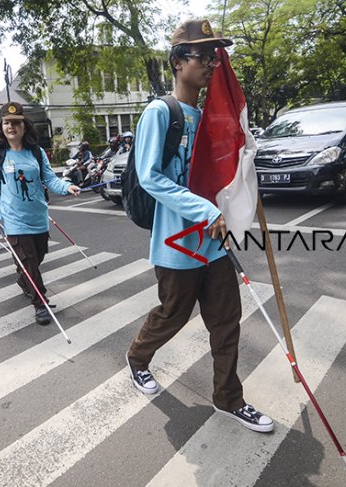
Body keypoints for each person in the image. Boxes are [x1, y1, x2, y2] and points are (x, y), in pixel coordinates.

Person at [125, 19, 274, 433]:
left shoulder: (211, 115)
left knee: (226, 322)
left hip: (215, 241)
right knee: (173, 314)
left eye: (214, 56)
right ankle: (138, 357)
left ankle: (229, 398)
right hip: (178, 243)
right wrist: (208, 212)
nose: (212, 63)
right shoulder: (161, 112)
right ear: (177, 62)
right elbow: (150, 176)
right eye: (202, 56)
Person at [0, 101, 81, 325]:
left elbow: (50, 179)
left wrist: (66, 187)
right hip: (12, 218)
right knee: (28, 260)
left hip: (37, 216)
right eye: (7, 123)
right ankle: (40, 304)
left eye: (16, 123)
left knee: (36, 258)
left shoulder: (36, 153)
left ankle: (24, 280)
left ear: (24, 126)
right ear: (2, 126)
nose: (11, 127)